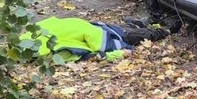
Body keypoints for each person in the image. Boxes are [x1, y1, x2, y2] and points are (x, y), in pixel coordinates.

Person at [21, 15, 180, 62]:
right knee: (137, 34)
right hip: (102, 30)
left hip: (103, 33)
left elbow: (88, 56)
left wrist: (120, 52)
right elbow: (89, 56)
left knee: (133, 33)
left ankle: (157, 27)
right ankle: (165, 29)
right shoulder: (30, 37)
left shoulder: (44, 51)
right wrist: (122, 53)